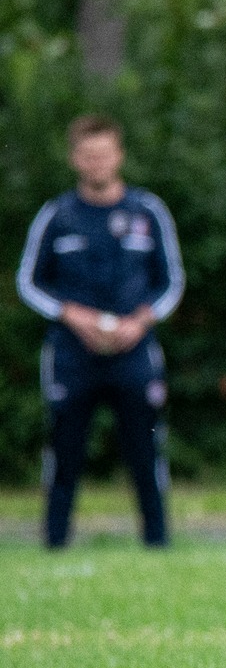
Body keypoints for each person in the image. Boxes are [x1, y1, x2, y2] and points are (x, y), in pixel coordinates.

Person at [15, 116, 185, 550]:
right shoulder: (58, 216)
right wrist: (72, 315)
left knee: (145, 451)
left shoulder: (147, 211)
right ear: (75, 159)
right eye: (88, 155)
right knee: (65, 452)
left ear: (119, 156)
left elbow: (172, 282)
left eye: (104, 154)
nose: (97, 163)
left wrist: (139, 322)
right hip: (73, 354)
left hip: (134, 353)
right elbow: (28, 283)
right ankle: (55, 544)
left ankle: (158, 543)